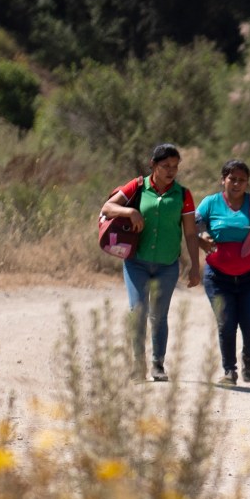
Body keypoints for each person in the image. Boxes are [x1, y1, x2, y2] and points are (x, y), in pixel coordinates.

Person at [98, 144, 199, 381]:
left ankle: (158, 365)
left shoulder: (183, 195)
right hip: (136, 263)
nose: (171, 171)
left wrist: (196, 266)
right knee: (138, 311)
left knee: (159, 315)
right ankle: (137, 365)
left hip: (167, 265)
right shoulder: (137, 186)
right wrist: (129, 212)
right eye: (165, 166)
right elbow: (108, 208)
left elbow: (190, 233)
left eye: (175, 166)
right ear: (153, 165)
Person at [196, 158, 250, 386]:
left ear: (247, 183)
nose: (236, 183)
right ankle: (229, 371)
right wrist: (202, 237)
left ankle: (248, 357)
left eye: (242, 180)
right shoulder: (211, 203)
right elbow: (195, 224)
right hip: (217, 276)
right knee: (226, 323)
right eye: (232, 178)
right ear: (223, 180)